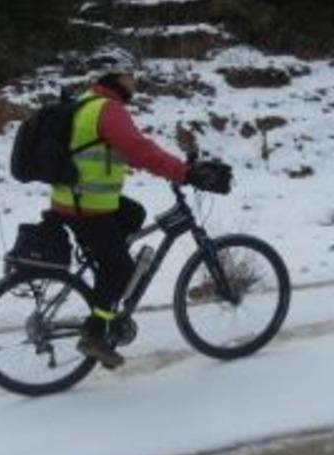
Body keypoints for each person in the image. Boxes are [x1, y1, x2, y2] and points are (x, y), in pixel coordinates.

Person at [50, 45, 231, 369]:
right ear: (115, 77)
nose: (134, 83)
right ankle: (94, 333)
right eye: (130, 76)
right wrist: (185, 172)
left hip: (72, 199)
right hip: (87, 207)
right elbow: (138, 150)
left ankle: (105, 275)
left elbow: (111, 151)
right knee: (120, 268)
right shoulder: (108, 109)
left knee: (134, 214)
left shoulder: (85, 102)